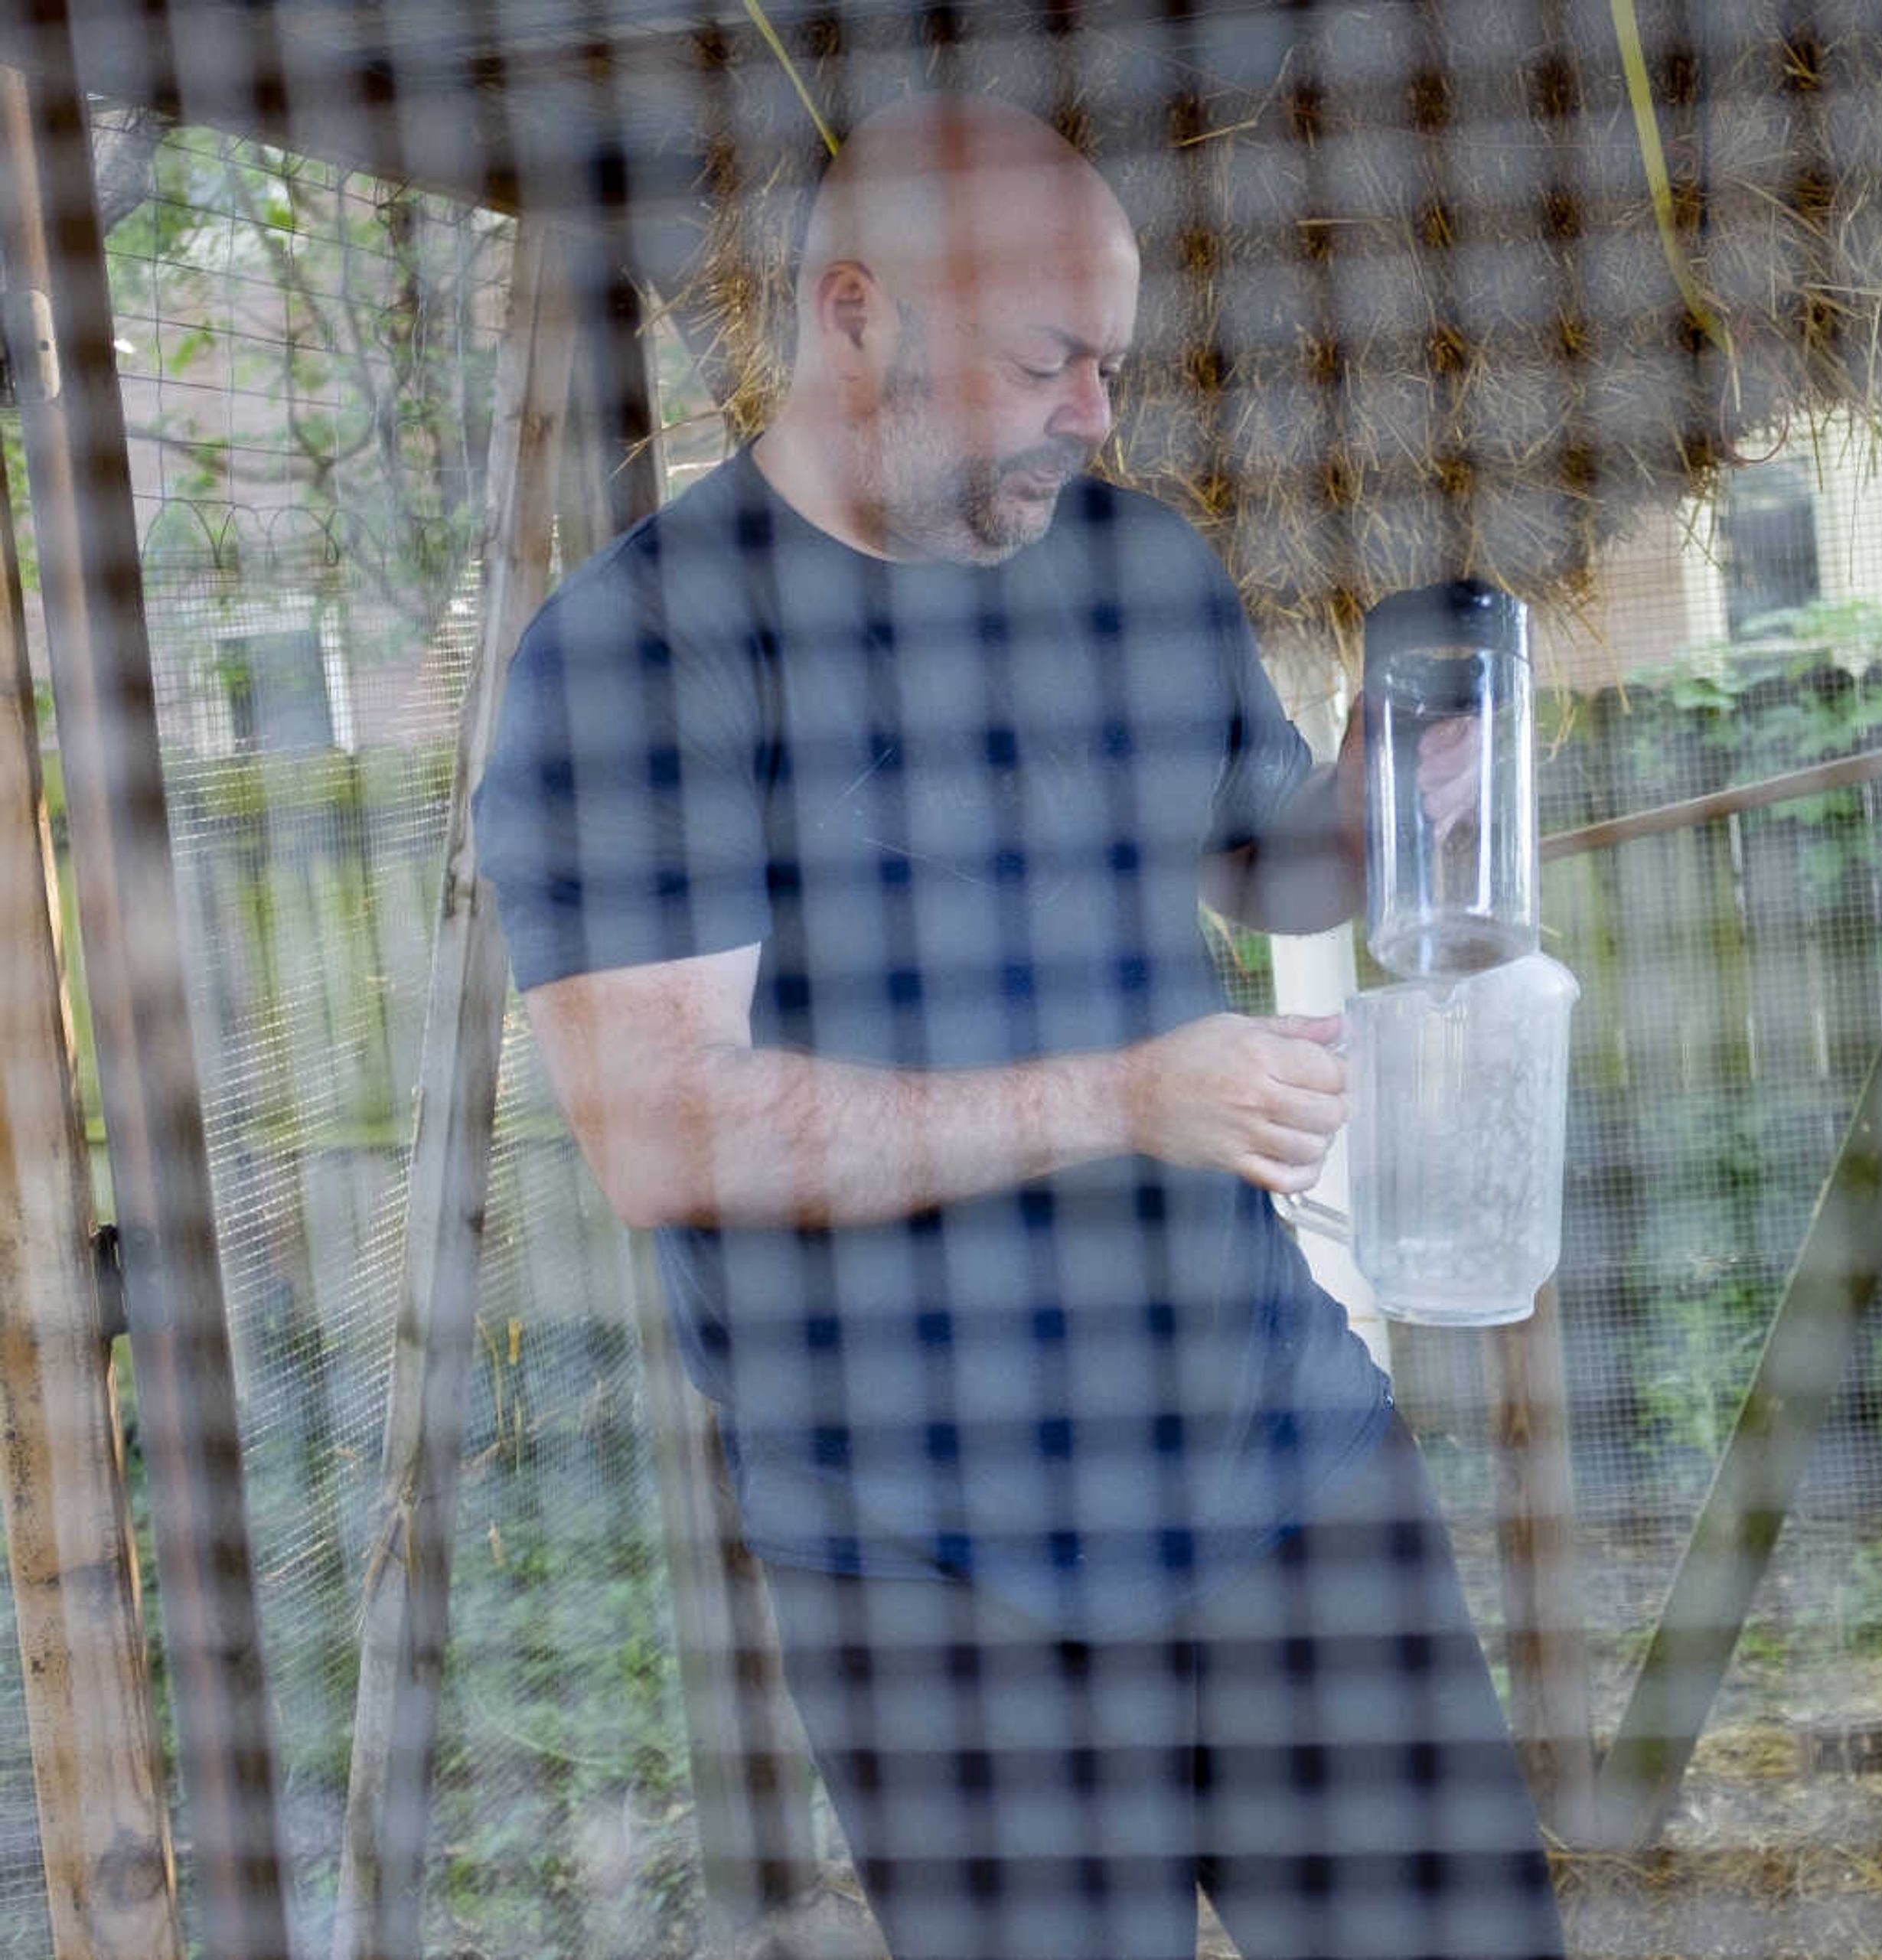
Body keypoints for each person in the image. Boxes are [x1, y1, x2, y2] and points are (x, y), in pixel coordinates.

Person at [474, 93, 1566, 1960]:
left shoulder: (1140, 574)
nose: (1095, 416)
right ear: (854, 314)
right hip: (930, 1543)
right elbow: (661, 1130)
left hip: (1269, 1452)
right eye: (1048, 361)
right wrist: (1127, 1099)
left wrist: (1380, 791)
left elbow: (1267, 876)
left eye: (1110, 366)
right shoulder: (642, 656)